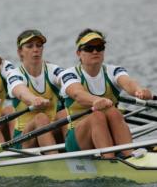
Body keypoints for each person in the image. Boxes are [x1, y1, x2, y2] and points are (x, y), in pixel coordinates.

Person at [60, 28, 153, 158]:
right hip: (78, 141)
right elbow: (78, 94)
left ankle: (129, 156)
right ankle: (110, 160)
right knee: (97, 116)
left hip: (108, 132)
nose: (95, 51)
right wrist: (96, 101)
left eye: (99, 47)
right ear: (79, 53)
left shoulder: (113, 71)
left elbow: (128, 83)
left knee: (113, 112)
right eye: (89, 48)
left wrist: (140, 90)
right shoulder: (69, 74)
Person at [7, 29, 67, 152]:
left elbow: (71, 83)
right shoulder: (14, 74)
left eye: (39, 45)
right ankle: (54, 160)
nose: (35, 49)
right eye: (29, 46)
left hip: (51, 130)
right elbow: (21, 92)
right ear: (20, 52)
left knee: (64, 114)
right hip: (24, 140)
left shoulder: (53, 70)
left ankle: (76, 157)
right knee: (41, 117)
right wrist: (34, 99)